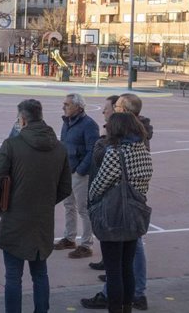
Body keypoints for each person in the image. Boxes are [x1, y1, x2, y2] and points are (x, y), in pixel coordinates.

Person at [0, 99, 72, 313]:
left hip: (15, 218)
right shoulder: (59, 148)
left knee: (13, 276)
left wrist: (1, 205)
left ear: (22, 119)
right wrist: (44, 202)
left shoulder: (12, 145)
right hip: (42, 219)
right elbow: (65, 187)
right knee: (40, 273)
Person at [82, 94, 153, 311]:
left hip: (114, 216)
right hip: (135, 214)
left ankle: (114, 308)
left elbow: (99, 185)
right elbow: (146, 177)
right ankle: (127, 307)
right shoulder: (142, 150)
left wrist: (91, 202)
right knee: (126, 268)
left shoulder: (114, 152)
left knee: (113, 271)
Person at [54, 93, 99, 258]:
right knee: (68, 206)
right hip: (66, 171)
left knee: (83, 209)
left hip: (80, 174)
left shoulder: (89, 125)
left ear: (78, 107)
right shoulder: (66, 122)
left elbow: (93, 150)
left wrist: (81, 170)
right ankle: (69, 238)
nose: (63, 107)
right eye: (64, 104)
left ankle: (86, 245)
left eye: (67, 104)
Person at [86, 95, 120, 273]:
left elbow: (102, 161)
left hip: (113, 196)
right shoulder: (111, 134)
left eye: (106, 108)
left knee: (119, 238)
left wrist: (93, 192)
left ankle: (113, 277)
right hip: (110, 195)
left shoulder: (116, 140)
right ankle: (107, 261)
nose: (103, 111)